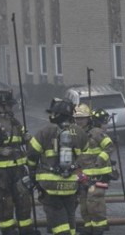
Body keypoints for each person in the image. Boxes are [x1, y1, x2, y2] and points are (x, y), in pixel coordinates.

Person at [0, 89, 37, 235]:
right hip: (1, 171)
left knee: (24, 201)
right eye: (10, 105)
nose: (12, 107)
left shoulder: (14, 121)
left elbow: (21, 139)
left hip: (19, 169)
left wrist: (26, 137)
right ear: (2, 105)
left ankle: (26, 230)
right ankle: (8, 231)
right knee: (5, 202)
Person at [27, 99, 85, 235]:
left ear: (56, 115)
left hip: (50, 186)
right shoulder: (79, 132)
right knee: (70, 219)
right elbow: (85, 156)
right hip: (71, 185)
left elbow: (31, 154)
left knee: (59, 224)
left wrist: (32, 173)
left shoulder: (45, 131)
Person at [75, 104, 117, 235]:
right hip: (83, 176)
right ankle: (88, 227)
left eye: (82, 118)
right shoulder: (75, 134)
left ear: (88, 119)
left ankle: (99, 228)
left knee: (95, 202)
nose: (79, 121)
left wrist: (100, 160)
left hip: (100, 176)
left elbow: (109, 146)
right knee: (84, 204)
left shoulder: (96, 132)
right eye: (77, 118)